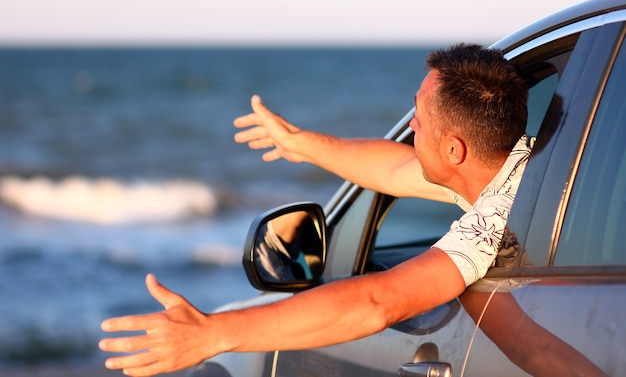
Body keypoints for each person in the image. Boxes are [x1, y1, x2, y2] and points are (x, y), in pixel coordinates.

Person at [99, 43, 532, 376]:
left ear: (454, 150)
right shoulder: (527, 163)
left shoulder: (492, 226)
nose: (411, 126)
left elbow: (379, 300)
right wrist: (299, 144)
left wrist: (213, 333)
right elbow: (396, 168)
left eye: (418, 119)